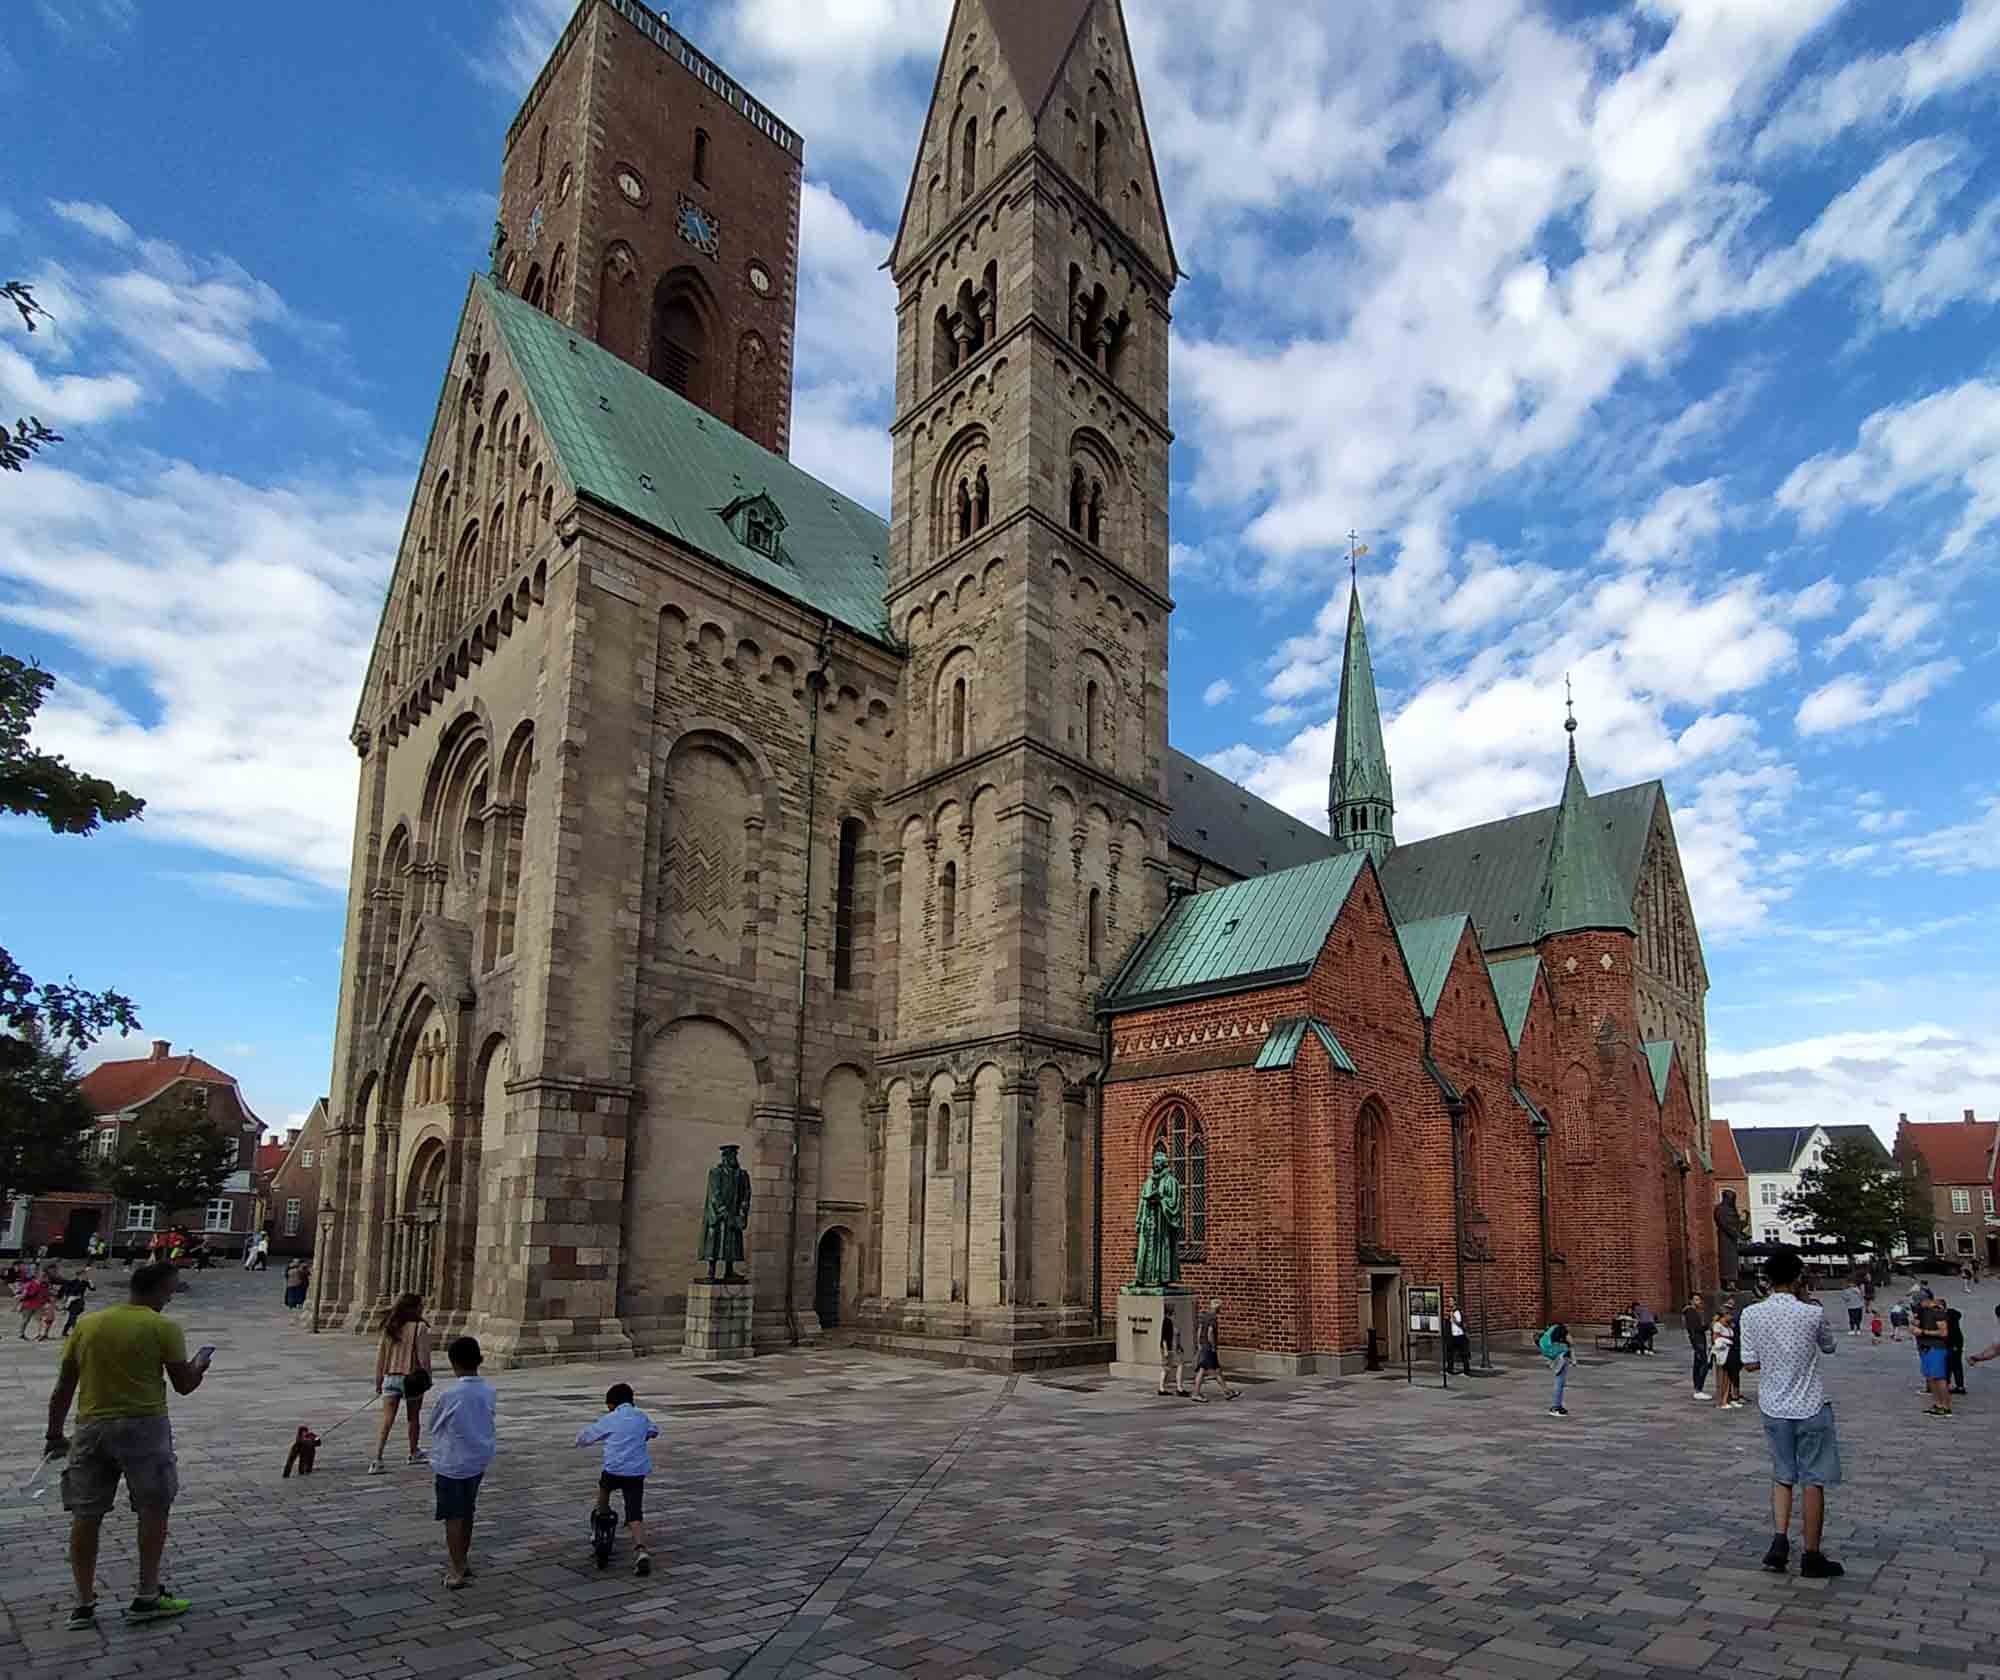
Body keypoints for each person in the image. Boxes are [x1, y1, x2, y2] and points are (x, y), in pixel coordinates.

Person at [44, 1261, 211, 1629]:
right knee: (153, 1509)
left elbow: (64, 1386)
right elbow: (184, 1385)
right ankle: (147, 1595)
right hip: (144, 1426)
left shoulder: (88, 1324)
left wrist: (54, 1434)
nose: (171, 1297)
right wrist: (200, 1363)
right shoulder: (162, 1327)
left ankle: (83, 1603)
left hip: (91, 1426)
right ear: (159, 1289)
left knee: (86, 1514)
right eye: (170, 1290)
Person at [1737, 1248, 1842, 1578]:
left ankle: (1779, 1542)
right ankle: (1811, 1554)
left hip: (1774, 1404)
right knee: (1813, 1480)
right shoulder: (1812, 1313)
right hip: (1810, 1404)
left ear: (1767, 1279)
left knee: (1782, 1475)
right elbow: (1830, 1346)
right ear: (1799, 1278)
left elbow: (1749, 1363)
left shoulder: (1751, 1314)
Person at [427, 1336, 495, 1590]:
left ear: (453, 1363)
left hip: (453, 1462)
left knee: (453, 1516)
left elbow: (434, 1424)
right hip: (477, 1460)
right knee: (467, 1511)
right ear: (479, 1360)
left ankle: (456, 1569)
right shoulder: (488, 1391)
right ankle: (462, 1561)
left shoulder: (451, 1394)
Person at [575, 1381, 659, 1576]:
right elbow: (654, 1430)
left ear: (612, 1404)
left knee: (604, 1491)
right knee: (634, 1513)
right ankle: (641, 1551)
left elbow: (585, 1437)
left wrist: (579, 1441)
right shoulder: (641, 1416)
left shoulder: (610, 1419)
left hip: (614, 1470)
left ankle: (600, 1520)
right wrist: (644, 1436)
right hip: (636, 1472)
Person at [369, 1292, 433, 1473]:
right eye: (421, 1305)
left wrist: (378, 1381)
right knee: (413, 1417)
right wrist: (428, 1378)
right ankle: (413, 1453)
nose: (423, 1308)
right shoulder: (419, 1327)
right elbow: (423, 1358)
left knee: (386, 1420)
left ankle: (377, 1459)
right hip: (411, 1379)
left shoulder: (390, 1327)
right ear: (414, 1308)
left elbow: (381, 1358)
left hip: (390, 1377)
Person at [1913, 1287, 1953, 1416]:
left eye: (1919, 1302)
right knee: (1930, 1378)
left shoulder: (1938, 1312)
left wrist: (1923, 1332)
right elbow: (1917, 1324)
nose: (1918, 1305)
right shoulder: (1922, 1311)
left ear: (1926, 1300)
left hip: (1936, 1348)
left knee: (1939, 1378)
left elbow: (1943, 1332)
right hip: (1924, 1347)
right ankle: (1937, 1404)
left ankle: (1946, 1407)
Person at [1190, 1298, 1237, 1401]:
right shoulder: (1213, 1318)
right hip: (1209, 1348)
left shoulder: (1204, 1316)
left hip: (1203, 1345)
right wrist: (1213, 1346)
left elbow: (1199, 1330)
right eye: (1220, 1307)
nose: (1221, 1309)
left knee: (1217, 1370)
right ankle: (1196, 1393)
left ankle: (1226, 1391)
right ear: (1217, 1308)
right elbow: (1210, 1332)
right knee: (1203, 1370)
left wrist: (1199, 1343)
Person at [1711, 1302, 1740, 1408]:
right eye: (1729, 1315)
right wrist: (1725, 1341)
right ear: (1724, 1315)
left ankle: (1727, 1399)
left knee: (1728, 1377)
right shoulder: (1717, 1325)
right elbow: (1716, 1340)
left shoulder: (1729, 1326)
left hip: (1730, 1353)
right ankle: (1720, 1401)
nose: (1731, 1317)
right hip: (1721, 1353)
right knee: (1721, 1377)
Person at [1542, 1321, 1572, 1416]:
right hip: (1562, 1357)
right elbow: (1571, 1341)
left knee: (1558, 1380)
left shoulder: (1551, 1330)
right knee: (1559, 1382)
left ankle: (1557, 1406)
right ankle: (1556, 1407)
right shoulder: (1562, 1329)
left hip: (1554, 1357)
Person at [1157, 1308, 1188, 1397]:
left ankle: (1174, 1388)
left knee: (1176, 1366)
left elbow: (1176, 1336)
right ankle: (1175, 1388)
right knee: (1167, 1367)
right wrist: (1165, 1350)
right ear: (1170, 1314)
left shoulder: (1172, 1322)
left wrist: (1179, 1346)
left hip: (1174, 1349)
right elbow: (1164, 1337)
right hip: (1169, 1349)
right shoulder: (1167, 1322)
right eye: (1173, 1313)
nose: (1175, 1315)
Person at [1684, 1294, 1711, 1399]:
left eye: (1699, 1299)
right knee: (1704, 1364)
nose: (1699, 1301)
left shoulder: (1696, 1311)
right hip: (1697, 1340)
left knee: (1698, 1364)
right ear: (1691, 1301)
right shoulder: (1690, 1311)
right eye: (1696, 1299)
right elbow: (1697, 1327)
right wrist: (1708, 1325)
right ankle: (1698, 1389)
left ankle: (1697, 1389)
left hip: (1699, 1339)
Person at [18, 1267, 54, 1339]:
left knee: (40, 1320)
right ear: (37, 1276)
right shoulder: (30, 1284)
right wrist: (20, 1303)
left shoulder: (44, 1285)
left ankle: (39, 1334)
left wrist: (48, 1301)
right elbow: (24, 1295)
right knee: (25, 1320)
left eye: (44, 1276)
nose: (44, 1278)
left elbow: (46, 1294)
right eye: (42, 1276)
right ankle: (21, 1334)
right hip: (28, 1305)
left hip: (39, 1306)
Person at [59, 1271, 94, 1339]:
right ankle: (76, 1332)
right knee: (73, 1317)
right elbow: (68, 1290)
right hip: (72, 1302)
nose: (85, 1276)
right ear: (78, 1276)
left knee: (71, 1318)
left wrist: (90, 1281)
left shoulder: (85, 1282)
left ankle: (64, 1332)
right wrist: (69, 1297)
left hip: (80, 1302)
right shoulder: (72, 1282)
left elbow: (93, 1289)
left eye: (85, 1275)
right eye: (83, 1275)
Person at [1945, 1302, 1967, 1395]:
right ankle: (1959, 1386)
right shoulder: (1953, 1316)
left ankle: (1948, 1385)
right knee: (1956, 1365)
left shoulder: (1948, 1318)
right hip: (1957, 1344)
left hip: (1952, 1345)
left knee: (1949, 1365)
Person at [1448, 1306, 1471, 1376]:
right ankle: (1450, 1369)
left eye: (1451, 1301)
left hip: (1460, 1335)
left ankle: (1466, 1371)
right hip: (1454, 1335)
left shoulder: (1457, 1312)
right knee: (1450, 1353)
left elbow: (1459, 1323)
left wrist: (1452, 1317)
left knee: (1463, 1354)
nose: (1449, 1303)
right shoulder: (1453, 1312)